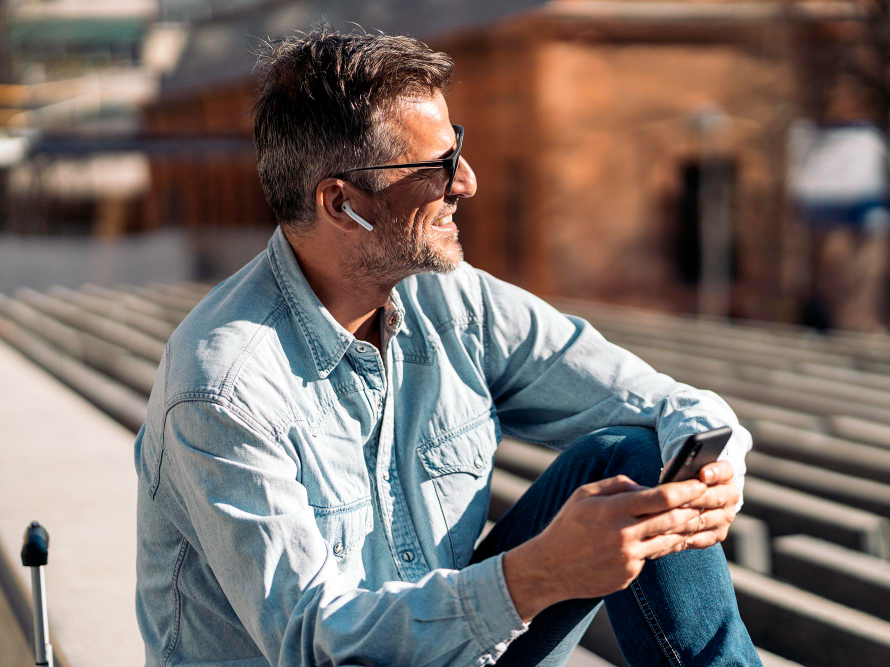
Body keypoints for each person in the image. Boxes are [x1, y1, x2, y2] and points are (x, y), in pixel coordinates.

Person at [134, 25, 760, 667]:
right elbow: (314, 642)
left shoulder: (455, 301)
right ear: (341, 203)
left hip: (455, 651)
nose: (467, 182)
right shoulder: (223, 388)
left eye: (455, 147)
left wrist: (714, 470)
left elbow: (663, 403)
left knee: (632, 457)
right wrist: (536, 576)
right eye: (435, 167)